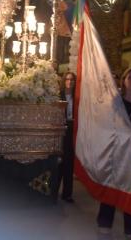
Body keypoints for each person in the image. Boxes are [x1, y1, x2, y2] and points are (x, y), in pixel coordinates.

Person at [97, 68, 131, 239]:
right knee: (112, 185)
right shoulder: (115, 102)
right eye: (130, 77)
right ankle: (105, 222)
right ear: (124, 80)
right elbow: (108, 125)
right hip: (117, 149)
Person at [57, 71, 76, 203]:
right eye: (67, 79)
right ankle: (54, 189)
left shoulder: (77, 98)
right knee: (59, 161)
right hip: (60, 129)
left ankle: (67, 193)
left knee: (69, 162)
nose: (69, 82)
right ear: (64, 82)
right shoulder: (59, 95)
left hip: (72, 129)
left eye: (72, 80)